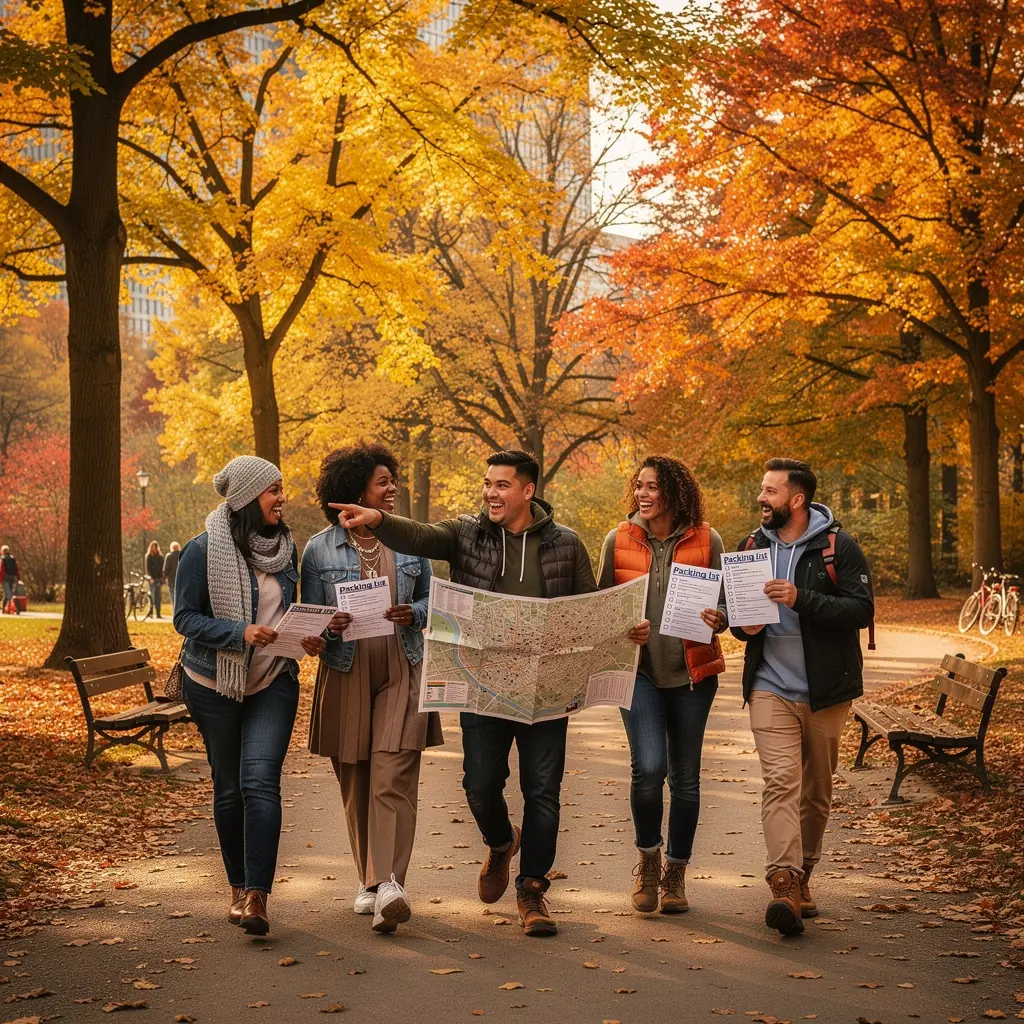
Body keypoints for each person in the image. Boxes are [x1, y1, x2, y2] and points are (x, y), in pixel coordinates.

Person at [331, 449, 650, 938]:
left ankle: (532, 889)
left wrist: (627, 630)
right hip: (482, 685)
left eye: (501, 485)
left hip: (548, 691)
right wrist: (378, 518)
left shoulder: (565, 544)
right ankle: (502, 843)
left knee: (543, 791)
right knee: (480, 785)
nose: (490, 493)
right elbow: (420, 535)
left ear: (527, 491)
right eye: (487, 484)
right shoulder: (467, 534)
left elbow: (589, 607)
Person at [174, 456, 325, 937]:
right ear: (245, 499)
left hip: (272, 680)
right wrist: (240, 632)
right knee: (229, 786)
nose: (282, 498)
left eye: (282, 488)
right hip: (212, 684)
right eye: (272, 491)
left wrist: (308, 636)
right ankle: (237, 887)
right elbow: (184, 620)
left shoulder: (286, 548)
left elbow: (290, 610)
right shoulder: (201, 551)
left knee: (259, 780)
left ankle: (258, 896)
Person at [302, 444, 442, 935]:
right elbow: (310, 626)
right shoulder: (318, 550)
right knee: (356, 778)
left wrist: (416, 613)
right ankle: (369, 881)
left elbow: (431, 599)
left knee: (392, 773)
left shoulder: (409, 543)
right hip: (346, 669)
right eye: (382, 481)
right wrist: (327, 628)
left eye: (392, 480)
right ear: (354, 490)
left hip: (402, 666)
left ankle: (390, 886)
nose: (392, 488)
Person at [732, 458, 873, 936]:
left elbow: (860, 608)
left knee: (816, 793)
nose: (761, 498)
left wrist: (800, 599)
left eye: (770, 491)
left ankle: (805, 871)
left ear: (796, 499)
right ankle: (784, 880)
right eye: (762, 490)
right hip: (770, 684)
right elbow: (738, 615)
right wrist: (737, 624)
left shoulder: (838, 546)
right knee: (780, 783)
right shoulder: (750, 546)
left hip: (826, 691)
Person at [598, 456, 728, 915]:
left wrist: (720, 617)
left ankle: (676, 873)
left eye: (652, 486)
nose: (642, 494)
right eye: (639, 486)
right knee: (650, 768)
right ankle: (648, 860)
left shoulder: (707, 539)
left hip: (692, 675)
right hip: (641, 674)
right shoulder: (619, 540)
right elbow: (602, 609)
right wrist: (621, 629)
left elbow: (727, 607)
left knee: (686, 779)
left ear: (674, 491)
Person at [145, 541, 164, 618]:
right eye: (152, 547)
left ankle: (158, 614)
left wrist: (162, 578)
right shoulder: (148, 556)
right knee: (152, 596)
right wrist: (150, 577)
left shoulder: (160, 556)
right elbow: (148, 568)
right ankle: (151, 613)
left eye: (154, 547)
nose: (153, 548)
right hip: (151, 579)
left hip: (158, 579)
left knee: (158, 597)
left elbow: (162, 568)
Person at [1, 545, 19, 615]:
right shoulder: (13, 558)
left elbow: (1, 570)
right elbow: (16, 569)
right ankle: (4, 610)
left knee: (8, 595)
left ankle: (15, 608)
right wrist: (18, 578)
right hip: (12, 578)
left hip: (5, 578)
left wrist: (0, 579)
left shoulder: (2, 559)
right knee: (7, 594)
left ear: (2, 551)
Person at [164, 542, 181, 611]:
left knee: (173, 596)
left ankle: (175, 612)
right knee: (180, 596)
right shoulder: (182, 554)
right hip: (181, 579)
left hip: (171, 579)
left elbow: (166, 568)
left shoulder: (169, 556)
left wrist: (164, 577)